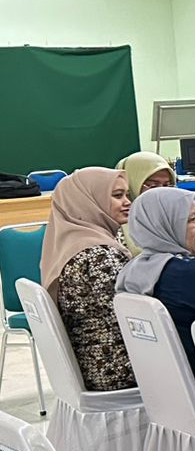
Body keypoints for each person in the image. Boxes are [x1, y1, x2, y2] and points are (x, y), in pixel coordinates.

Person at [116, 187, 195, 409]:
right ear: (164, 224)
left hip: (171, 391)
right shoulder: (185, 273)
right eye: (192, 220)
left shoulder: (137, 268)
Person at [41, 168, 137, 393]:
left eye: (127, 195)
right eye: (117, 196)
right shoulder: (99, 254)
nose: (127, 202)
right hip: (116, 368)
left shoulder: (69, 242)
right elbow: (131, 315)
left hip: (89, 362)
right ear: (88, 202)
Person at [116, 151, 176, 255]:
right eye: (153, 186)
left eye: (167, 185)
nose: (161, 191)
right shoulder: (116, 225)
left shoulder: (178, 217)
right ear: (130, 185)